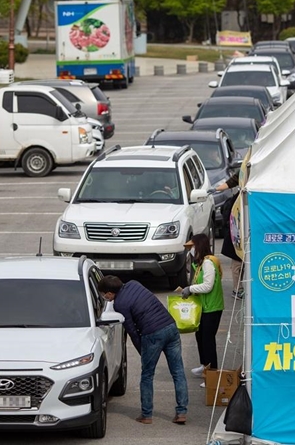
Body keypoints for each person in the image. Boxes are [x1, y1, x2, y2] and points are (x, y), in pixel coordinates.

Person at [98, 275, 188, 425]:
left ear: (109, 293)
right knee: (178, 372)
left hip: (152, 333)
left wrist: (143, 351)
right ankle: (181, 412)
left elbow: (132, 331)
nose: (104, 297)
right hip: (170, 326)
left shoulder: (119, 304)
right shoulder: (134, 283)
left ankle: (146, 415)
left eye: (103, 294)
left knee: (147, 375)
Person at [180, 233, 225, 385]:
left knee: (208, 341)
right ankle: (204, 365)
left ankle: (212, 374)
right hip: (204, 307)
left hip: (212, 308)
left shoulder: (208, 263)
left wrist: (190, 288)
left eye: (192, 246)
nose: (191, 250)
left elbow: (207, 286)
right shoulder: (200, 263)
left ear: (199, 246)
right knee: (200, 337)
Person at [212, 173, 244, 299]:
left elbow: (233, 180)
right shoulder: (236, 202)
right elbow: (233, 180)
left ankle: (239, 289)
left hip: (242, 236)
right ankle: (237, 289)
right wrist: (216, 189)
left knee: (240, 264)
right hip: (236, 237)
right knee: (238, 264)